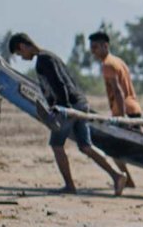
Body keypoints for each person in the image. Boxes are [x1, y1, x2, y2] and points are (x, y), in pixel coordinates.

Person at [8, 32, 127, 196]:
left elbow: (60, 84)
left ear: (22, 46)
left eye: (19, 53)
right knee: (86, 146)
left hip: (69, 106)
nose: (21, 57)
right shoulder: (50, 56)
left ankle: (70, 186)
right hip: (80, 103)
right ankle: (117, 175)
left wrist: (63, 109)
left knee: (56, 145)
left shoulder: (43, 59)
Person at [88, 30, 143, 192]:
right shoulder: (118, 61)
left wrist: (121, 118)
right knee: (130, 149)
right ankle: (130, 179)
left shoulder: (108, 65)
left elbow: (118, 91)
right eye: (92, 48)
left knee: (119, 149)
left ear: (105, 46)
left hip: (125, 111)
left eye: (95, 47)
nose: (93, 52)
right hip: (132, 107)